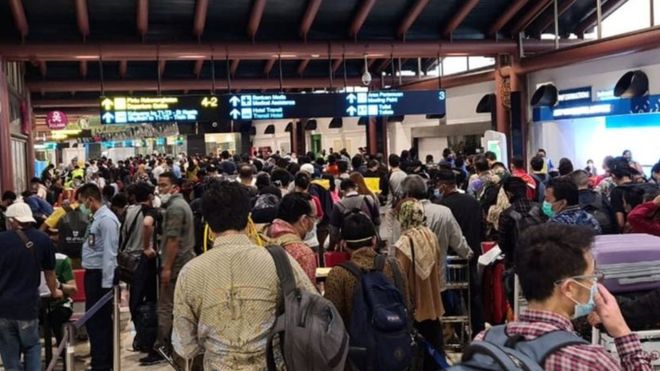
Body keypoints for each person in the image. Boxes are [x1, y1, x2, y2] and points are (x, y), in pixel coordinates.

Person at [172, 181, 316, 370]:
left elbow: (184, 345)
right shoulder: (278, 260)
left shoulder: (190, 272)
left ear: (207, 222)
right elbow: (314, 308)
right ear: (248, 217)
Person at [473, 223, 651, 370]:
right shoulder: (590, 361)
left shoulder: (485, 340)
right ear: (570, 289)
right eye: (592, 275)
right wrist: (622, 332)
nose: (595, 283)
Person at [0, 202, 63, 371]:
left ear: (13, 220)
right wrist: (54, 291)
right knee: (32, 346)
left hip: (3, 308)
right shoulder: (42, 239)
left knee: (8, 350)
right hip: (28, 306)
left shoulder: (1, 239)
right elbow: (50, 272)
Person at [142, 172, 196, 365]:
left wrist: (166, 267)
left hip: (176, 264)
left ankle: (162, 348)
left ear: (175, 187)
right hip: (185, 262)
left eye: (164, 185)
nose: (160, 189)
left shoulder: (175, 209)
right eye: (159, 185)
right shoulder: (181, 205)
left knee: (165, 307)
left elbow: (173, 240)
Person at [324, 210, 409, 326]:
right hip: (396, 337)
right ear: (374, 240)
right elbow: (406, 303)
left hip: (356, 342)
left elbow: (332, 319)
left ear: (343, 244)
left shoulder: (338, 274)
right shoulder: (394, 264)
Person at [393, 199, 445, 371]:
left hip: (415, 309)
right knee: (435, 354)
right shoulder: (431, 236)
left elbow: (401, 278)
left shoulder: (404, 243)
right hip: (434, 304)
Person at [435, 169, 485, 333]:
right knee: (473, 296)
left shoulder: (441, 207)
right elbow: (482, 229)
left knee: (451, 297)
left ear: (443, 186)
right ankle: (478, 331)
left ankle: (458, 332)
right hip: (470, 256)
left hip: (449, 258)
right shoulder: (473, 202)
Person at [78, 183, 120, 371]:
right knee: (95, 322)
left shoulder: (107, 220)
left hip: (101, 276)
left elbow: (110, 253)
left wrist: (107, 285)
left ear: (90, 199)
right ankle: (100, 358)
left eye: (83, 202)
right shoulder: (96, 218)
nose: (82, 206)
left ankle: (102, 364)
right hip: (93, 274)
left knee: (99, 322)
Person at [122, 183, 159, 353]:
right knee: (149, 300)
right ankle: (147, 338)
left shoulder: (127, 211)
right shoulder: (149, 211)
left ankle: (140, 336)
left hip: (127, 261)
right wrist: (146, 247)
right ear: (150, 197)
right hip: (143, 260)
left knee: (134, 300)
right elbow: (147, 224)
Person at [265, 192, 318, 283]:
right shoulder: (303, 253)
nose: (314, 223)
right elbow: (308, 294)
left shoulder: (261, 238)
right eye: (313, 218)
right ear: (304, 220)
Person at [328, 178, 381, 251]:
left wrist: (337, 243)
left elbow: (333, 231)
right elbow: (377, 221)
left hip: (350, 244)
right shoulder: (369, 199)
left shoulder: (338, 206)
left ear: (341, 191)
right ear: (356, 187)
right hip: (369, 240)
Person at [571, 169, 617, 235]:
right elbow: (612, 216)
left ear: (572, 183)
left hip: (581, 234)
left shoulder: (571, 200)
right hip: (605, 231)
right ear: (588, 181)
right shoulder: (600, 196)